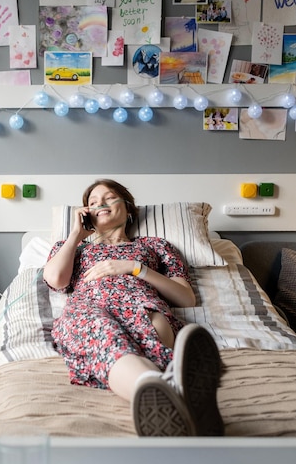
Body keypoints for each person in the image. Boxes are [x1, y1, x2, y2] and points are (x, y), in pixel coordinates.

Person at [43, 179, 224, 437]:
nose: (100, 205)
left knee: (149, 345)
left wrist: (134, 268)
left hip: (142, 308)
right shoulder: (73, 249)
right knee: (104, 335)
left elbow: (186, 298)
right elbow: (56, 279)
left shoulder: (155, 246)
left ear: (128, 209)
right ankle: (176, 395)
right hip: (89, 310)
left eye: (108, 198)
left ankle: (168, 398)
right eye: (92, 203)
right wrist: (75, 235)